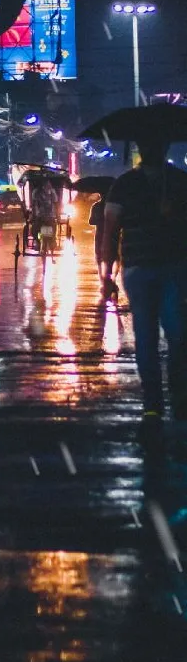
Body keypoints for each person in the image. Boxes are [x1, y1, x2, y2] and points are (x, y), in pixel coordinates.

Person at [102, 138, 187, 439]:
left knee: (177, 336)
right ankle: (153, 405)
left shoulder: (178, 181)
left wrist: (173, 215)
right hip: (140, 270)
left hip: (174, 268)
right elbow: (110, 230)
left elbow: (110, 231)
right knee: (149, 337)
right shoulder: (126, 184)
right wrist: (106, 273)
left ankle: (178, 399)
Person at [89, 192, 119, 291]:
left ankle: (104, 281)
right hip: (113, 235)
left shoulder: (96, 206)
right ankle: (111, 280)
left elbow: (91, 221)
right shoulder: (114, 207)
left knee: (100, 259)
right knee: (114, 257)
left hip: (100, 235)